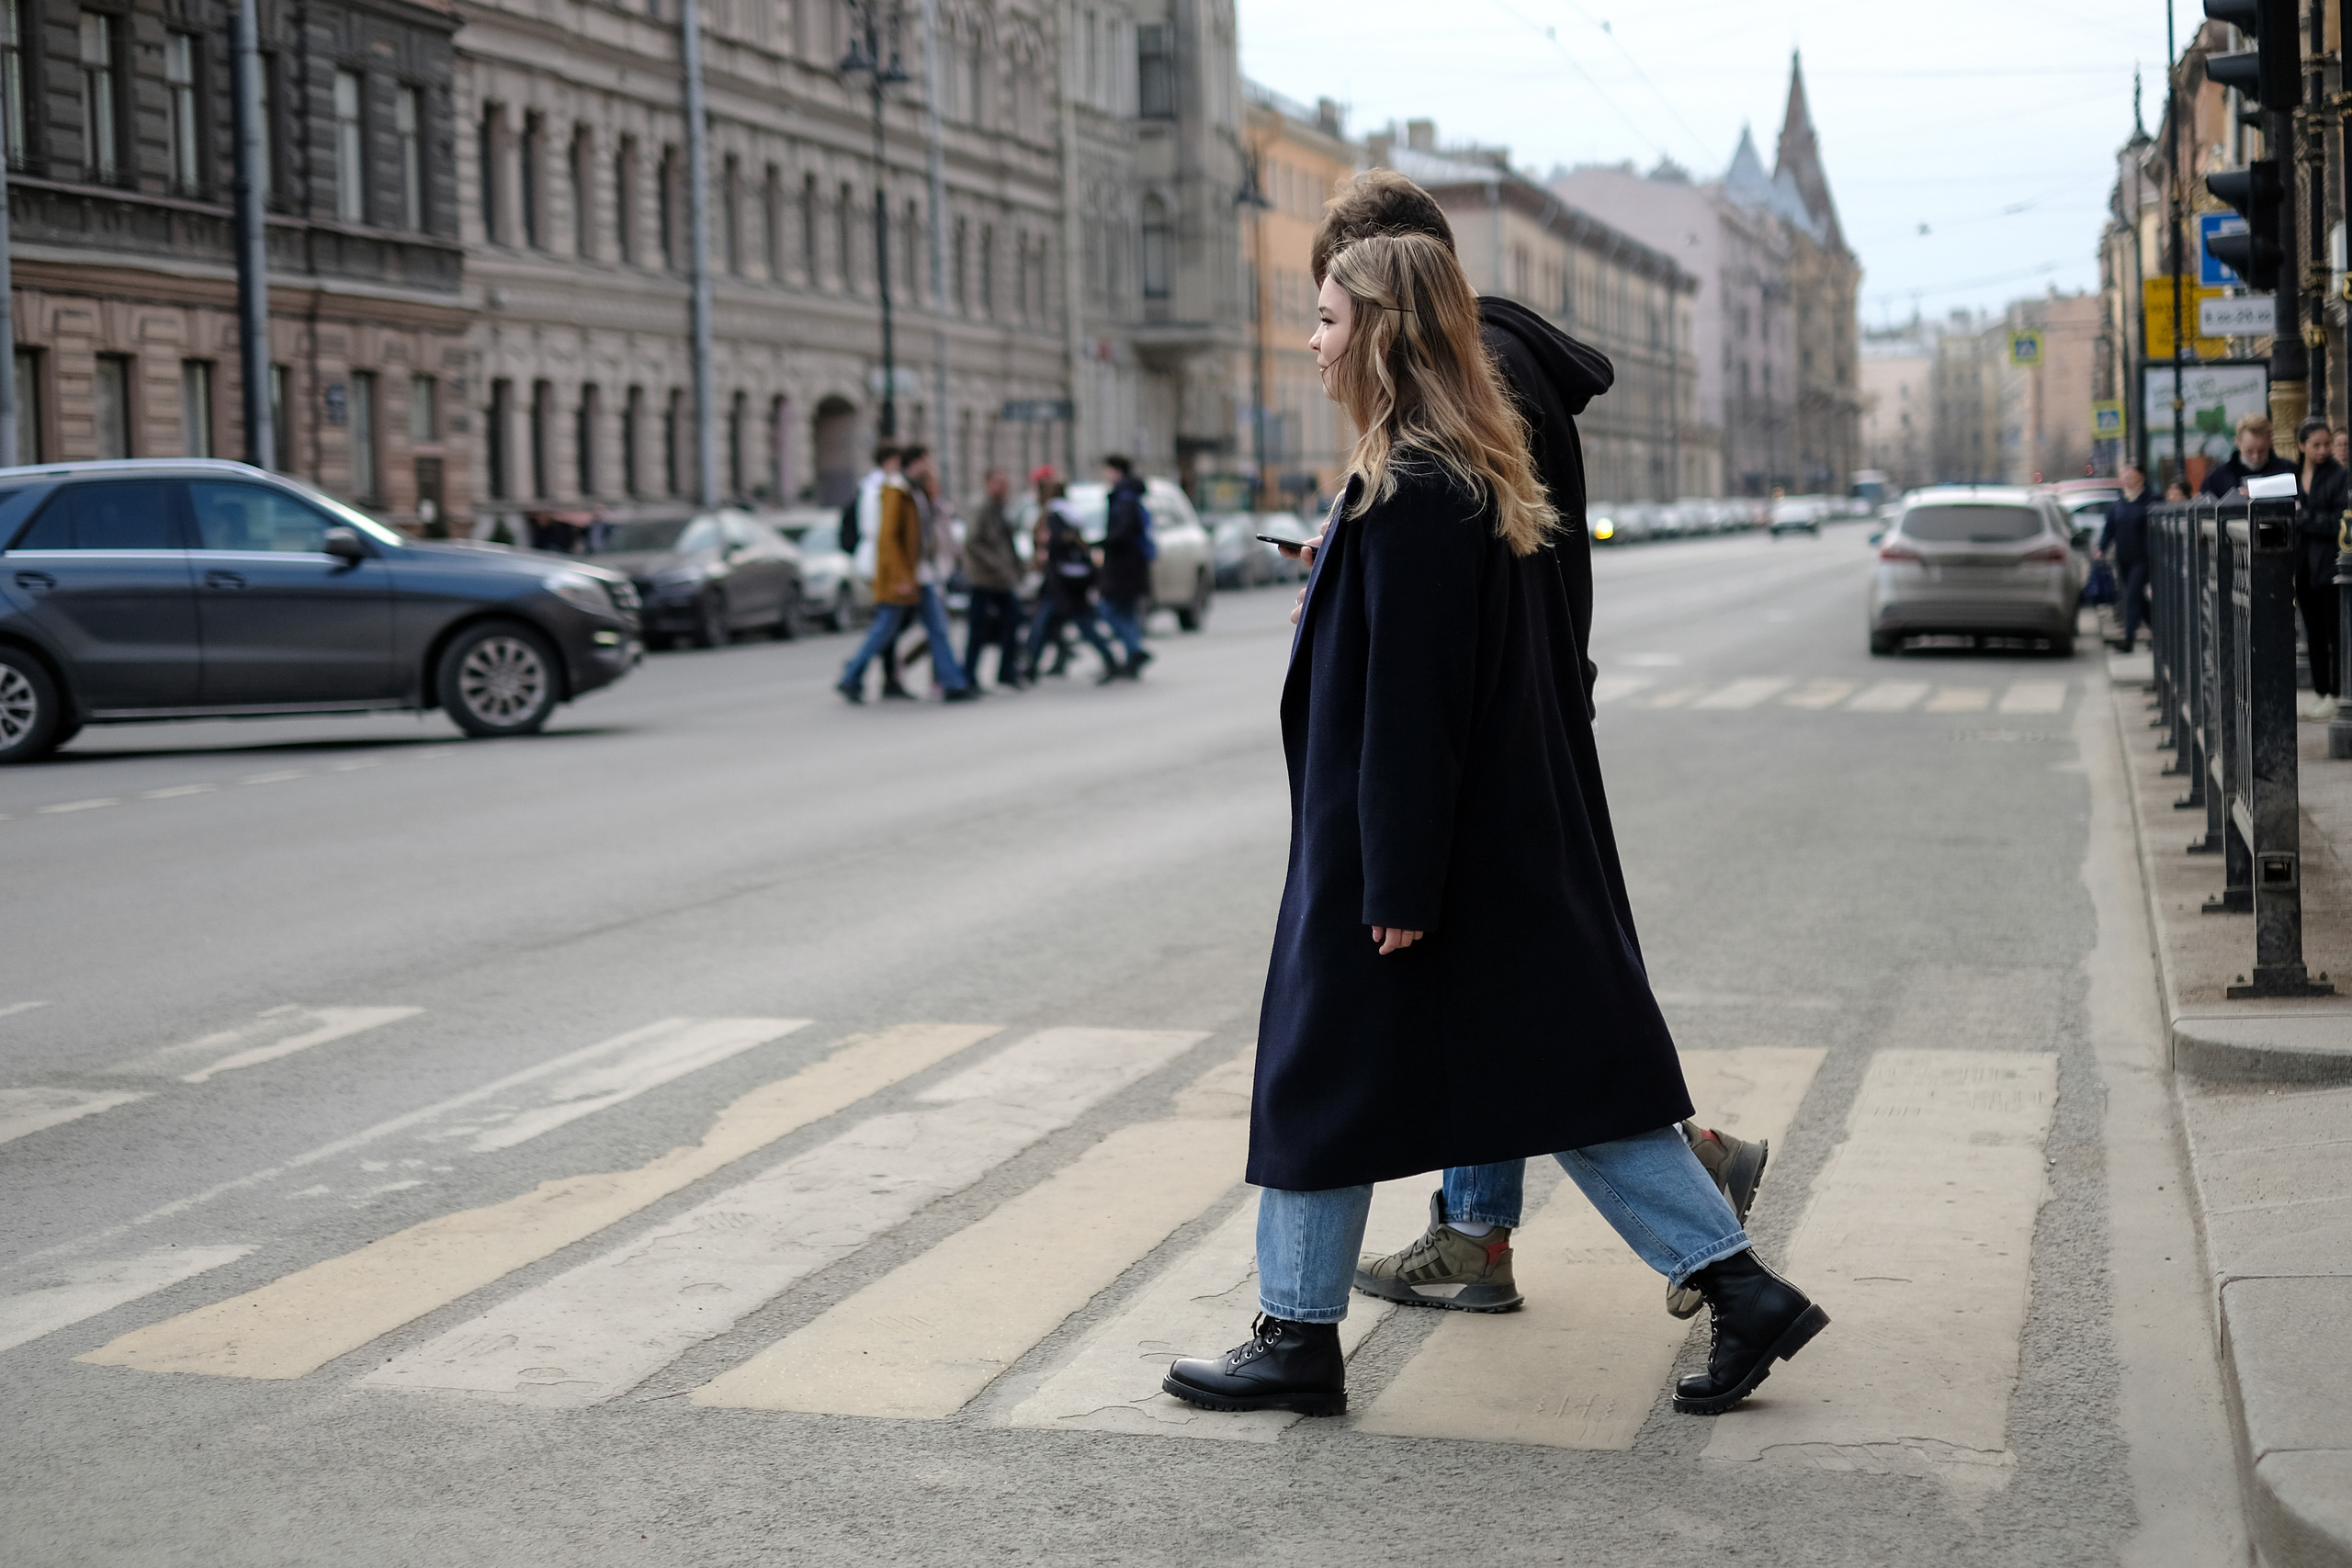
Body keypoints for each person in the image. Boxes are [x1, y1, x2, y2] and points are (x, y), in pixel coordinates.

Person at [1160, 231, 1826, 1421]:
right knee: (1560, 1085)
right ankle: (1738, 1289)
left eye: (1325, 320)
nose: (1311, 346)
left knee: (1323, 1080)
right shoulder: (1452, 466)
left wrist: (1399, 887)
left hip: (1411, 858)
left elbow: (1417, 705)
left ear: (1382, 330)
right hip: (1473, 847)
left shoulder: (1416, 484)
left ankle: (1297, 1332)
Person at [1295, 166, 1773, 1325]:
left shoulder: (1469, 391)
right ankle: (1484, 1234)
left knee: (1536, 1023)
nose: (1313, 340)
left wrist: (1399, 857)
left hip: (1497, 738)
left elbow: (1444, 619)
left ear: (1388, 292)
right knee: (1523, 1015)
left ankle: (1706, 1227)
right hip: (1519, 718)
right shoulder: (1482, 376)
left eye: (1326, 311)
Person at [836, 446, 977, 704]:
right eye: (926, 461)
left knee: (936, 628)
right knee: (886, 629)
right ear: (915, 463)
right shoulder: (896, 492)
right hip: (906, 576)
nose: (931, 465)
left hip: (921, 573)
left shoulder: (914, 491)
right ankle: (852, 675)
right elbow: (888, 538)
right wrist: (902, 577)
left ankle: (952, 681)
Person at [1023, 479, 1125, 683]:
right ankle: (1032, 665)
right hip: (1073, 578)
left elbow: (1056, 545)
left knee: (1052, 623)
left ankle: (1031, 666)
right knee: (1052, 623)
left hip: (1061, 580)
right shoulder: (1073, 514)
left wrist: (1046, 550)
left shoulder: (1055, 516)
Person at [962, 468, 1028, 689]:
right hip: (984, 579)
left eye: (1005, 482)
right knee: (978, 627)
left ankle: (1007, 670)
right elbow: (972, 542)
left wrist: (1017, 568)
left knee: (1014, 619)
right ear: (988, 483)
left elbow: (1009, 543)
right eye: (999, 483)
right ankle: (969, 675)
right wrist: (997, 565)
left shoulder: (1001, 509)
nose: (1003, 487)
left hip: (1002, 579)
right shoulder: (981, 508)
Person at [2297, 422, 2345, 720]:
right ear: (2302, 446)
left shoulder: (2339, 477)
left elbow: (2340, 520)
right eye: (2316, 444)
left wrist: (2304, 519)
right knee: (2312, 631)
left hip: (2330, 564)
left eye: (2326, 443)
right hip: (2302, 564)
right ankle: (2320, 691)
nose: (2323, 450)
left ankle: (2337, 693)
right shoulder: (2292, 474)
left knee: (2333, 631)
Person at [1095, 457, 1154, 679]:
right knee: (1127, 611)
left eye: (1107, 470)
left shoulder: (1124, 498)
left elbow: (1124, 531)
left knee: (1108, 609)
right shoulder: (1129, 496)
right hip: (1133, 565)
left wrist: (1103, 541)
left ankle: (1135, 650)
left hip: (1123, 566)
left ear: (1117, 472)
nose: (1105, 476)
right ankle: (1133, 655)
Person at [2098, 465, 2154, 655]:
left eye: (2132, 476)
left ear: (2141, 477)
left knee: (2132, 596)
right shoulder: (2118, 504)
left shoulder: (2150, 501)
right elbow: (2109, 529)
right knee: (2138, 599)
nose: (2128, 480)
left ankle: (2129, 639)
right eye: (2125, 476)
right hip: (2123, 559)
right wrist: (2101, 548)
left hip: (2143, 559)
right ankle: (2159, 633)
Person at [2199, 412, 2295, 498]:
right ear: (2238, 443)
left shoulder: (2287, 471)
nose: (2256, 457)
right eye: (2249, 451)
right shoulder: (2218, 478)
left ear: (2270, 443)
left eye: (2262, 451)